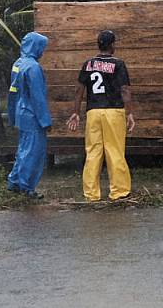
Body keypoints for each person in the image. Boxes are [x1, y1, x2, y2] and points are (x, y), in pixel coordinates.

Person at [67, 30, 135, 202]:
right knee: (115, 151)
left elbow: (79, 90)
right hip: (113, 111)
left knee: (93, 152)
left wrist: (75, 112)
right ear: (112, 45)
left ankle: (91, 194)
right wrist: (130, 113)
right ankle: (119, 192)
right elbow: (125, 90)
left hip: (93, 112)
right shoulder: (118, 64)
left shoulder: (87, 64)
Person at [6, 31, 52, 199]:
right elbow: (38, 97)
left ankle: (14, 182)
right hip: (33, 115)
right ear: (36, 46)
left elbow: (13, 92)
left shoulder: (18, 63)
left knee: (23, 149)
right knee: (33, 152)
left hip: (21, 112)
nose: (42, 51)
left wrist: (12, 114)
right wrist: (45, 120)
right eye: (42, 47)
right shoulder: (33, 68)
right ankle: (26, 187)